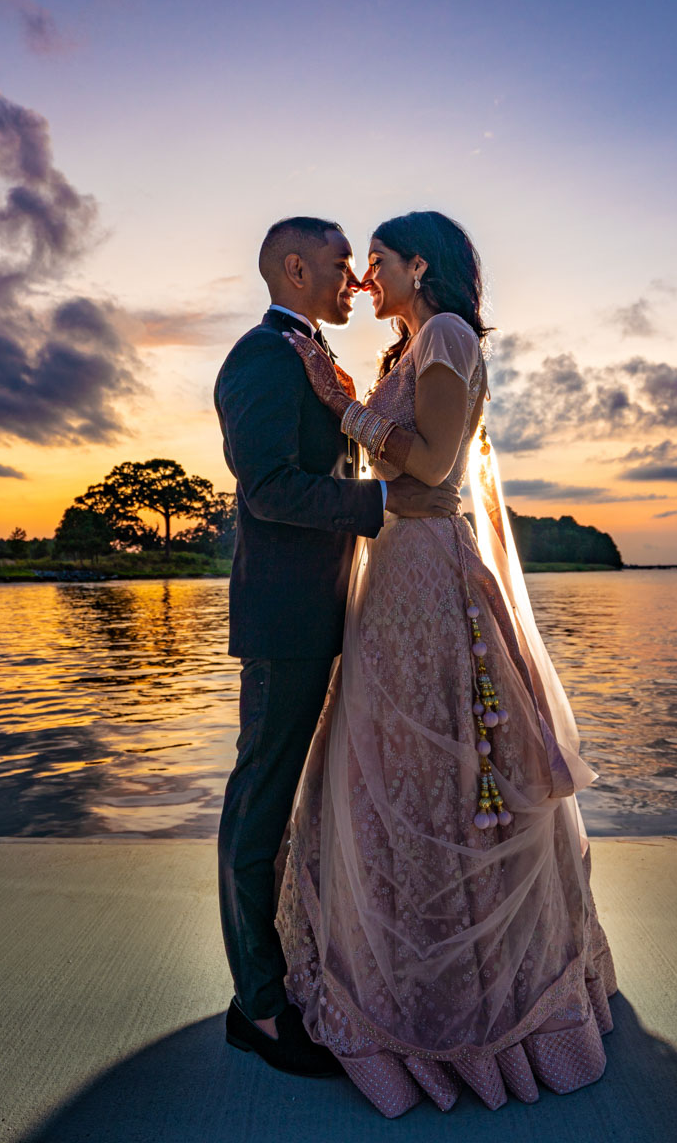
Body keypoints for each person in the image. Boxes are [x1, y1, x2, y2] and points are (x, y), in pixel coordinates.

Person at [271, 210, 617, 1117]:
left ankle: (472, 1005)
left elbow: (432, 463)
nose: (364, 279)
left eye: (377, 262)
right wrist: (349, 394)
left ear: (419, 265)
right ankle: (394, 978)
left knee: (441, 763)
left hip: (426, 569)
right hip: (389, 567)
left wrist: (335, 400)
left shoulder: (450, 336)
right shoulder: (405, 351)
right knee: (388, 762)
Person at [213, 216, 462, 1079]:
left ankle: (299, 964)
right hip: (287, 615)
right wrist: (381, 511)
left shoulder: (313, 358)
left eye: (362, 264)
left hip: (338, 609)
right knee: (261, 799)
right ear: (293, 267)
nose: (354, 279)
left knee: (305, 799)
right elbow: (271, 488)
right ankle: (258, 1006)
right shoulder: (263, 357)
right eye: (337, 263)